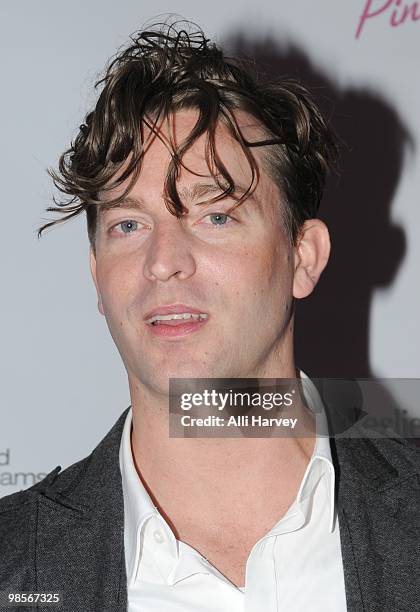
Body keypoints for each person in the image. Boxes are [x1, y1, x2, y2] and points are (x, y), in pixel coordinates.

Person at [0, 21, 419, 612]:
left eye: (214, 215)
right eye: (129, 224)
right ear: (98, 279)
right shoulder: (14, 565)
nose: (163, 262)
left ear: (303, 257)